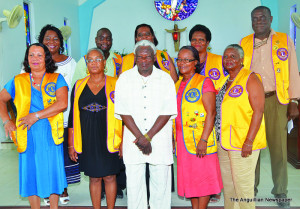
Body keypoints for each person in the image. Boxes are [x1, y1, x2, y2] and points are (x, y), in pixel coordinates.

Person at [240, 6, 300, 208]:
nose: (259, 21)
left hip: (277, 100)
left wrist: (294, 100)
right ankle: (251, 188)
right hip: (251, 101)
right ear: (251, 21)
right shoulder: (245, 43)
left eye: (263, 17)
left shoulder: (284, 40)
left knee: (279, 149)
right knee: (251, 146)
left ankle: (280, 191)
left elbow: (293, 71)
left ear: (271, 18)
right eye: (255, 18)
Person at [0, 43, 68, 208]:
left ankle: (54, 206)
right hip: (27, 135)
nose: (35, 59)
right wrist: (7, 120)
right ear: (27, 59)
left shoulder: (56, 78)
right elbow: (1, 99)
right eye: (31, 55)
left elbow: (62, 104)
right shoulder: (18, 80)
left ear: (46, 58)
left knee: (52, 172)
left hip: (50, 133)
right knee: (31, 173)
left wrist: (36, 116)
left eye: (39, 55)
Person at [114, 40, 177, 209]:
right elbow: (123, 111)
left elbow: (168, 110)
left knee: (161, 184)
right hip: (133, 139)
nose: (143, 60)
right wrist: (141, 138)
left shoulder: (165, 79)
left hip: (159, 137)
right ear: (134, 58)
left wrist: (148, 137)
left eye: (147, 57)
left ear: (154, 57)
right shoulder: (124, 78)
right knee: (134, 186)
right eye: (140, 57)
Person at [68, 48, 122, 209]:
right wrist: (71, 145)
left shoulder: (116, 83)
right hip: (87, 137)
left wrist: (123, 142)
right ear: (86, 64)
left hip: (109, 136)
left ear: (104, 63)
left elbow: (124, 116)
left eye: (98, 59)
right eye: (90, 60)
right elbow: (72, 116)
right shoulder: (78, 85)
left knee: (110, 177)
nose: (94, 63)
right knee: (94, 178)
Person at [216, 44, 266, 209]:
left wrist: (249, 141)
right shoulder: (225, 81)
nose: (228, 59)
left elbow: (258, 111)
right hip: (224, 142)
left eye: (233, 56)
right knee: (230, 188)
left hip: (243, 143)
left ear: (241, 60)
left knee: (243, 189)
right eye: (225, 57)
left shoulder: (250, 78)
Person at [174, 46, 223, 209]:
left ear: (195, 63)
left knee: (203, 178)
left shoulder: (204, 82)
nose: (182, 63)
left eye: (186, 60)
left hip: (200, 139)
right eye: (179, 59)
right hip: (182, 141)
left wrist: (203, 140)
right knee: (191, 178)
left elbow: (211, 113)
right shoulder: (177, 84)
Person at [37, 24, 79, 205]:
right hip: (42, 119)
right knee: (45, 155)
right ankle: (47, 192)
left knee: (62, 156)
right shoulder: (35, 61)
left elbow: (77, 89)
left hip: (65, 117)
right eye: (47, 38)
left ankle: (63, 189)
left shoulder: (69, 62)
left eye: (55, 39)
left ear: (61, 42)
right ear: (41, 41)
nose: (51, 42)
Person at [189, 24, 227, 91]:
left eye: (201, 40)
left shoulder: (221, 61)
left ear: (207, 42)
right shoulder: (184, 62)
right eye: (194, 39)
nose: (197, 42)